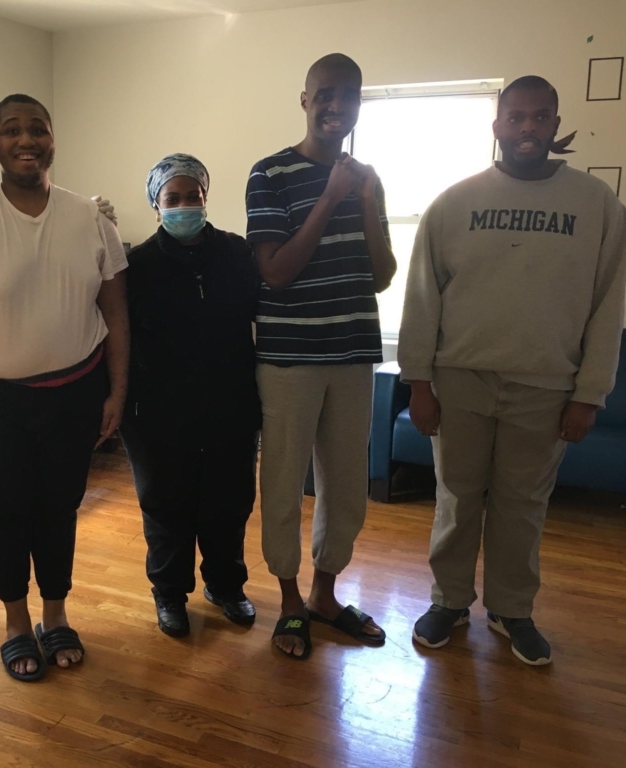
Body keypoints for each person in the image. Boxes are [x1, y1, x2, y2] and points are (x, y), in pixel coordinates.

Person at [399, 76, 626, 666]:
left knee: (523, 504)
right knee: (456, 498)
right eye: (516, 117)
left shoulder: (597, 205)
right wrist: (418, 384)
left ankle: (511, 609)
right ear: (497, 125)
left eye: (540, 117)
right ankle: (448, 600)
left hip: (547, 385)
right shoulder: (455, 202)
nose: (528, 127)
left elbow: (608, 305)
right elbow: (422, 299)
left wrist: (590, 394)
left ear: (555, 125)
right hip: (461, 380)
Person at [0, 94, 129, 682]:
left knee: (59, 509)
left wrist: (116, 391)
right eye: (11, 129)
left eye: (37, 128)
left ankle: (55, 613)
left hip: (75, 393)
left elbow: (116, 313)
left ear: (53, 139)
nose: (26, 139)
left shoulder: (89, 219)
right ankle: (16, 621)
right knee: (4, 512)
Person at [245, 53, 397, 660]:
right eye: (326, 95)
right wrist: (332, 196)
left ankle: (325, 596)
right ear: (305, 100)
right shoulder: (270, 174)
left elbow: (382, 274)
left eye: (349, 97)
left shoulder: (369, 178)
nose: (337, 107)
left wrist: (360, 199)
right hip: (288, 358)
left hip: (354, 353)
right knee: (283, 481)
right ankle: (287, 602)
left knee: (346, 487)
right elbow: (276, 274)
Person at [119, 153, 261, 638]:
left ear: (205, 197)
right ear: (156, 205)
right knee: (166, 507)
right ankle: (169, 595)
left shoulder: (237, 255)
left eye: (192, 196)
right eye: (172, 198)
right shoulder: (136, 265)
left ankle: (226, 586)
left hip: (230, 407)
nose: (184, 206)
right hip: (158, 414)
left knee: (229, 502)